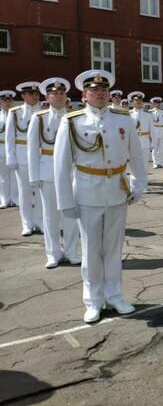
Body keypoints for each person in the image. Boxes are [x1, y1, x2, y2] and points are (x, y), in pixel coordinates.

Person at [54, 69, 147, 324]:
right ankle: (93, 300)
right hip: (87, 192)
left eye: (104, 90)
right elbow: (61, 166)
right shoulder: (72, 122)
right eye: (94, 90)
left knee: (114, 249)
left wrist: (139, 184)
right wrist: (66, 202)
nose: (100, 94)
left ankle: (115, 295)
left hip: (117, 190)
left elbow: (136, 154)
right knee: (92, 250)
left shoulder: (123, 118)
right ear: (84, 95)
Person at [28, 77, 81, 268]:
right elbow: (32, 149)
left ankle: (72, 252)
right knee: (50, 215)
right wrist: (34, 176)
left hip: (71, 172)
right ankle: (53, 254)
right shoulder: (39, 118)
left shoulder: (75, 116)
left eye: (61, 93)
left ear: (66, 96)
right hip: (48, 171)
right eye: (54, 93)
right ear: (47, 97)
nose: (58, 96)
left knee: (71, 214)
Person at [6, 81, 43, 235]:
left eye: (36, 94)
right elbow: (9, 138)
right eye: (30, 94)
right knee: (25, 191)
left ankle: (40, 221)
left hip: (41, 157)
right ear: (23, 96)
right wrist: (11, 158)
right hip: (22, 156)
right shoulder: (15, 112)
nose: (34, 97)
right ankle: (27, 223)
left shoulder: (43, 111)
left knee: (40, 193)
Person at [0, 90, 19, 209]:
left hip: (15, 149)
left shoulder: (17, 116)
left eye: (9, 100)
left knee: (15, 176)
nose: (7, 103)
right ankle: (4, 199)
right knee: (3, 177)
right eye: (4, 100)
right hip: (1, 149)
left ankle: (15, 199)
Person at [127, 91, 152, 173]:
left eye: (140, 100)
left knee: (144, 165)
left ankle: (144, 183)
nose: (138, 102)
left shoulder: (148, 115)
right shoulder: (128, 114)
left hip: (145, 142)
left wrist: (153, 144)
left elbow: (152, 131)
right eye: (136, 100)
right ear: (132, 102)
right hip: (133, 143)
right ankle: (133, 184)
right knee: (133, 165)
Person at [149, 97, 163, 168]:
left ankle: (161, 162)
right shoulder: (150, 112)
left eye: (158, 103)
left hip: (161, 130)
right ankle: (155, 163)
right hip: (154, 130)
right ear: (153, 104)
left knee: (161, 148)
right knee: (154, 148)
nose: (157, 104)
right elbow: (149, 124)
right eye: (155, 103)